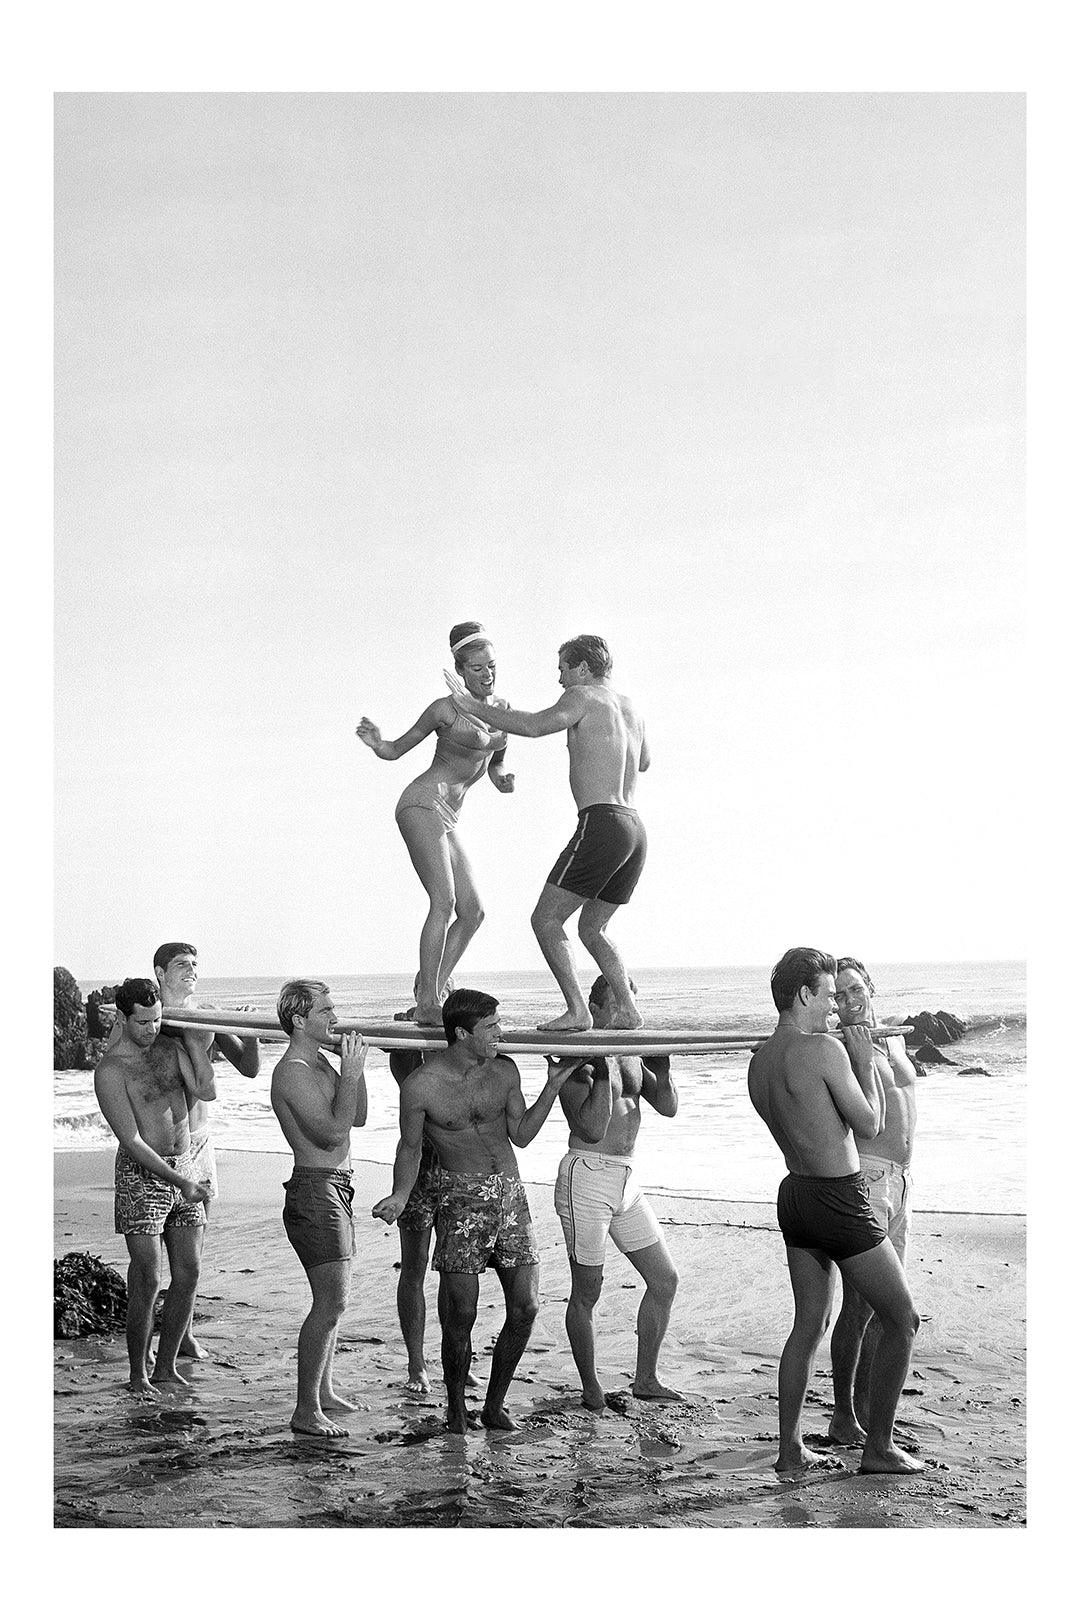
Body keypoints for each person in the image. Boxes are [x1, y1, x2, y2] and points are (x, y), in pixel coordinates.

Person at [747, 947, 922, 1476]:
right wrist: (865, 1063)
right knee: (902, 1320)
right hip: (840, 1200)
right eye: (826, 995)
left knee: (809, 1325)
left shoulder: (759, 1060)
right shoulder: (823, 1050)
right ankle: (878, 1448)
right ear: (804, 994)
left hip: (796, 1194)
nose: (832, 1008)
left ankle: (790, 1448)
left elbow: (803, 1118)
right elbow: (868, 1124)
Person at [373, 988, 571, 1434]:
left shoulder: (503, 1071)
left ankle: (494, 1405)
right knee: (462, 1315)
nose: (501, 1033)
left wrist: (553, 1087)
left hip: (511, 1195)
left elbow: (521, 1134)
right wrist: (400, 1195)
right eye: (491, 1028)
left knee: (526, 1307)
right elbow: (409, 1147)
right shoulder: (421, 1086)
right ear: (462, 1034)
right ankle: (456, 1408)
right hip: (460, 1199)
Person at [446, 633, 647, 1032]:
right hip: (635, 829)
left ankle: (578, 1010)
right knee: (592, 927)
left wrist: (469, 705)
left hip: (602, 822)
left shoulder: (584, 697)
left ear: (584, 668)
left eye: (563, 669)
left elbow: (535, 726)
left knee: (546, 920)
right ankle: (627, 1009)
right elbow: (643, 761)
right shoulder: (630, 708)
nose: (559, 680)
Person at [356, 622, 515, 1026]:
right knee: (443, 901)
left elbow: (495, 765)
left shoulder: (503, 713)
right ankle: (427, 999)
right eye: (477, 668)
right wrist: (377, 743)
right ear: (460, 671)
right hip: (421, 804)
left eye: (492, 666)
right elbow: (394, 750)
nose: (487, 674)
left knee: (474, 912)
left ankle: (432, 990)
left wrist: (503, 780)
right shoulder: (444, 709)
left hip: (448, 816)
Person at [552, 974, 681, 1409]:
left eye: (634, 998)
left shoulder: (630, 1050)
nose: (632, 1009)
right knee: (588, 1291)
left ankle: (646, 1378)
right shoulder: (577, 1054)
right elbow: (589, 1127)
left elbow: (667, 1107)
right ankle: (591, 1387)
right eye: (623, 1000)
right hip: (586, 1175)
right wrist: (603, 1064)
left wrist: (663, 1068)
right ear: (598, 1006)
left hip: (627, 1177)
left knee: (664, 1280)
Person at [93, 978, 216, 1397]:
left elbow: (206, 1091)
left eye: (157, 1019)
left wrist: (199, 1045)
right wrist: (180, 1181)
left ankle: (165, 1368)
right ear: (123, 1017)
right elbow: (130, 1140)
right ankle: (137, 1374)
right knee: (147, 1276)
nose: (151, 1028)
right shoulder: (111, 1069)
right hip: (141, 1175)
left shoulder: (169, 1047)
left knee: (190, 1272)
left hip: (185, 1165)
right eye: (142, 1022)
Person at [150, 942, 261, 1358]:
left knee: (194, 1248)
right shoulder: (151, 1017)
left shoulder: (205, 1015)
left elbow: (248, 1068)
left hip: (199, 1141)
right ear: (161, 972)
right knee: (155, 1247)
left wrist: (248, 1035)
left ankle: (184, 1331)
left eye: (195, 964)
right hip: (159, 1143)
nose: (191, 971)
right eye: (181, 965)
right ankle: (155, 1329)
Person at [270, 980, 369, 1439]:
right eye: (325, 1010)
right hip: (315, 1190)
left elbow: (359, 1117)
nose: (335, 1017)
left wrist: (356, 1068)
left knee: (335, 1303)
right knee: (330, 1303)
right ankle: (305, 1409)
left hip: (339, 1186)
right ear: (299, 1020)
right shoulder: (291, 1071)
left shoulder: (322, 1062)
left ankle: (323, 1392)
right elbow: (331, 1134)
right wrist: (347, 1075)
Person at [827, 956, 918, 1446]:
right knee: (861, 1306)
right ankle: (844, 1415)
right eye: (838, 995)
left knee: (886, 1310)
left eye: (855, 989)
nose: (848, 1001)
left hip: (902, 1182)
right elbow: (861, 1118)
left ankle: (866, 1411)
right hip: (867, 1178)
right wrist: (856, 1056)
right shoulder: (841, 1047)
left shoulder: (893, 1036)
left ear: (871, 987)